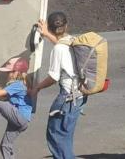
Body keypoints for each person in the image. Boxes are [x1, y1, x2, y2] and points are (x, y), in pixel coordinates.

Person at [30, 11, 83, 159]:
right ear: (66, 26)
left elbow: (53, 77)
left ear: (51, 28)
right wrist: (47, 34)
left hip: (67, 98)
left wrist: (37, 87)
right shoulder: (72, 40)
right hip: (78, 96)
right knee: (65, 136)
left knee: (56, 135)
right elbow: (61, 45)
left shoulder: (58, 49)